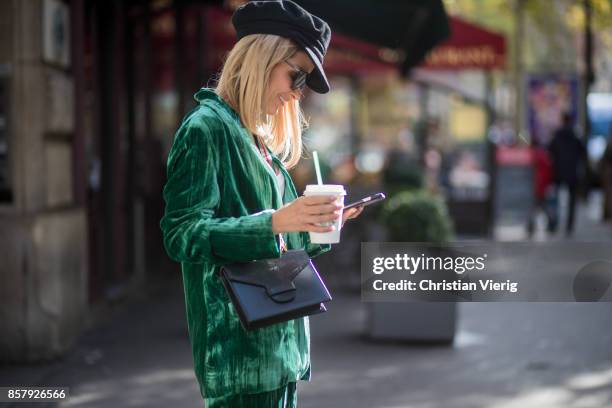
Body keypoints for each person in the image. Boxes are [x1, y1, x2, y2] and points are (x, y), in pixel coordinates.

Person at [159, 1, 363, 406]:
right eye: (296, 75)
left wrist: (320, 225)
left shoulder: (258, 139)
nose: (296, 93)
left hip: (281, 350)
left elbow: (283, 239)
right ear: (262, 58)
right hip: (239, 357)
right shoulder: (206, 129)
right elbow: (181, 235)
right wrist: (272, 223)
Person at [548, 112, 587, 235]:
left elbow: (550, 151)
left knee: (555, 199)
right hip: (572, 172)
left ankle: (554, 222)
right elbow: (583, 153)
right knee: (571, 201)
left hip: (558, 171)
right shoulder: (575, 136)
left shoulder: (557, 135)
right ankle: (569, 226)